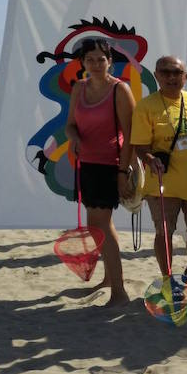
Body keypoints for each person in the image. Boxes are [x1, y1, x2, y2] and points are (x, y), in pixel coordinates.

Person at [131, 56, 187, 290]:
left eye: (177, 72)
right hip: (162, 183)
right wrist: (149, 159)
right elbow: (139, 146)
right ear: (157, 76)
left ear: (185, 77)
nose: (171, 77)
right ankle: (168, 278)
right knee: (164, 233)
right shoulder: (146, 106)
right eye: (165, 72)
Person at [64, 38, 134, 306]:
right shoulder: (79, 88)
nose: (95, 64)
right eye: (90, 59)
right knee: (100, 226)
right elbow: (70, 124)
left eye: (100, 59)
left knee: (101, 225)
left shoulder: (119, 89)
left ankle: (119, 292)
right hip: (86, 165)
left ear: (109, 62)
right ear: (82, 62)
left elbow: (130, 137)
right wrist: (75, 138)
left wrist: (122, 172)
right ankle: (109, 279)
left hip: (110, 165)